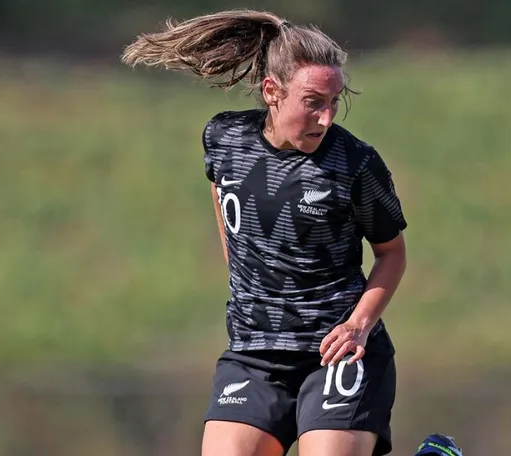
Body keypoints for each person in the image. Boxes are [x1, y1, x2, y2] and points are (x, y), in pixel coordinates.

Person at [123, 9, 408, 456]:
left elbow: (392, 254)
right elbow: (230, 215)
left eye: (335, 101)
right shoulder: (223, 138)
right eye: (314, 101)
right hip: (254, 354)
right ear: (273, 92)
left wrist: (357, 325)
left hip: (337, 350)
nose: (327, 117)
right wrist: (250, 285)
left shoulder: (356, 164)